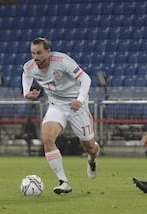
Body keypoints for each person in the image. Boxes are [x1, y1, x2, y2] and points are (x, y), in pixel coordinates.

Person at [22, 37, 100, 194]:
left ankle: (92, 160)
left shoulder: (63, 61)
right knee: (47, 138)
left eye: (39, 53)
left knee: (90, 148)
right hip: (56, 105)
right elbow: (26, 74)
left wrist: (79, 100)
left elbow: (86, 78)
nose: (36, 57)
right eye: (33, 53)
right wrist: (26, 92)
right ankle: (64, 182)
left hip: (76, 107)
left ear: (48, 51)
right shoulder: (30, 66)